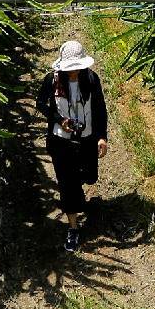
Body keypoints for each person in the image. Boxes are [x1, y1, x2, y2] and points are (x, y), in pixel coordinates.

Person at [36, 39, 108, 251]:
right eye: (71, 69)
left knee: (89, 176)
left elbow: (100, 109)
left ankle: (79, 197)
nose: (74, 72)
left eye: (78, 68)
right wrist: (59, 120)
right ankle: (73, 227)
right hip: (61, 142)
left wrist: (101, 136)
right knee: (68, 184)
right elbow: (40, 103)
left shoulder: (92, 79)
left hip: (86, 139)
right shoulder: (52, 80)